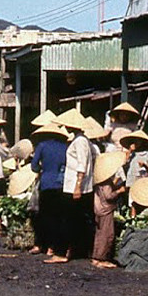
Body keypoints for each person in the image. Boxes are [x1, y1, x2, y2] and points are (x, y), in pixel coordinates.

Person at [48, 109, 94, 264]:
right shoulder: (80, 140)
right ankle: (77, 249)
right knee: (76, 219)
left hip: (75, 185)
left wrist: (78, 186)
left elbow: (82, 164)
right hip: (76, 185)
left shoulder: (80, 141)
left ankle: (61, 253)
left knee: (67, 219)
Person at [30, 122, 69, 256]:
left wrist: (42, 170)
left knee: (44, 216)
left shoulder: (42, 146)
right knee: (58, 216)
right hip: (61, 184)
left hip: (46, 183)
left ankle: (41, 244)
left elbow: (34, 165)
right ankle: (52, 247)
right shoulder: (65, 147)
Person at [92, 150, 128, 269]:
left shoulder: (99, 182)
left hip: (98, 208)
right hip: (105, 209)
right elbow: (109, 196)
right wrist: (119, 191)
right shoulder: (106, 183)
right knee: (107, 234)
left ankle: (96, 256)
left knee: (100, 233)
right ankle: (102, 258)